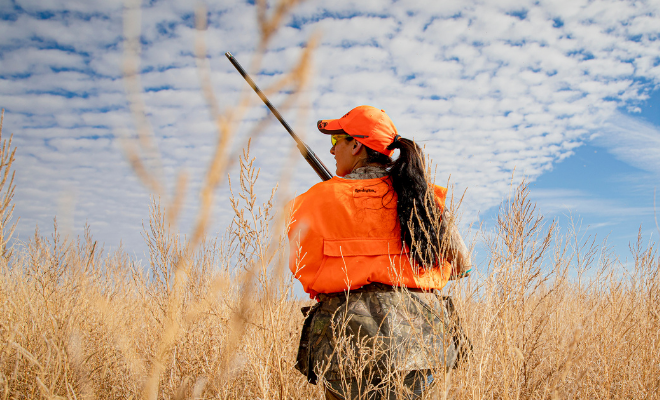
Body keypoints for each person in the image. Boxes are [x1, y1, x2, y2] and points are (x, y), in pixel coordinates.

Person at [288, 105, 472, 400]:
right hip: (419, 340)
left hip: (345, 340)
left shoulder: (313, 200)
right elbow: (463, 266)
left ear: (357, 144)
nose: (332, 151)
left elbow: (300, 266)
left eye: (336, 141)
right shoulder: (420, 193)